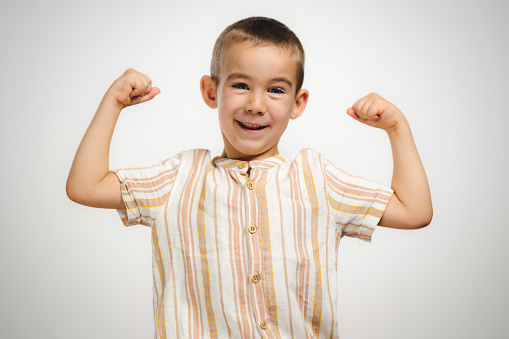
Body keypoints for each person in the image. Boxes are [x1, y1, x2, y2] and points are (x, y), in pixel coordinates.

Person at [67, 16, 432, 339]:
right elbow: (86, 186)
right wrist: (112, 103)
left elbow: (414, 212)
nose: (256, 104)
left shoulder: (317, 179)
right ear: (212, 92)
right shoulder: (178, 179)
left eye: (275, 90)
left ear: (297, 103)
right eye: (241, 85)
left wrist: (396, 127)